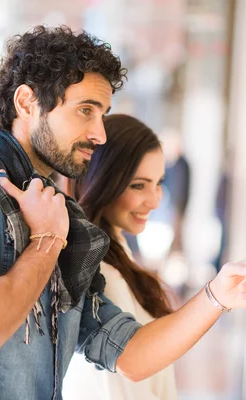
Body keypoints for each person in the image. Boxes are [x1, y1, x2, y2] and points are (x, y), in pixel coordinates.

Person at [0, 25, 246, 399]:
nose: (100, 134)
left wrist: (217, 296)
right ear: (26, 102)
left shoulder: (64, 222)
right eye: (85, 110)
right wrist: (44, 244)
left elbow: (128, 354)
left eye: (103, 114)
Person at [63, 114, 177, 399]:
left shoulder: (117, 252)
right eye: (138, 185)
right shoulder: (104, 274)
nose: (154, 200)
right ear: (103, 182)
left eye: (158, 182)